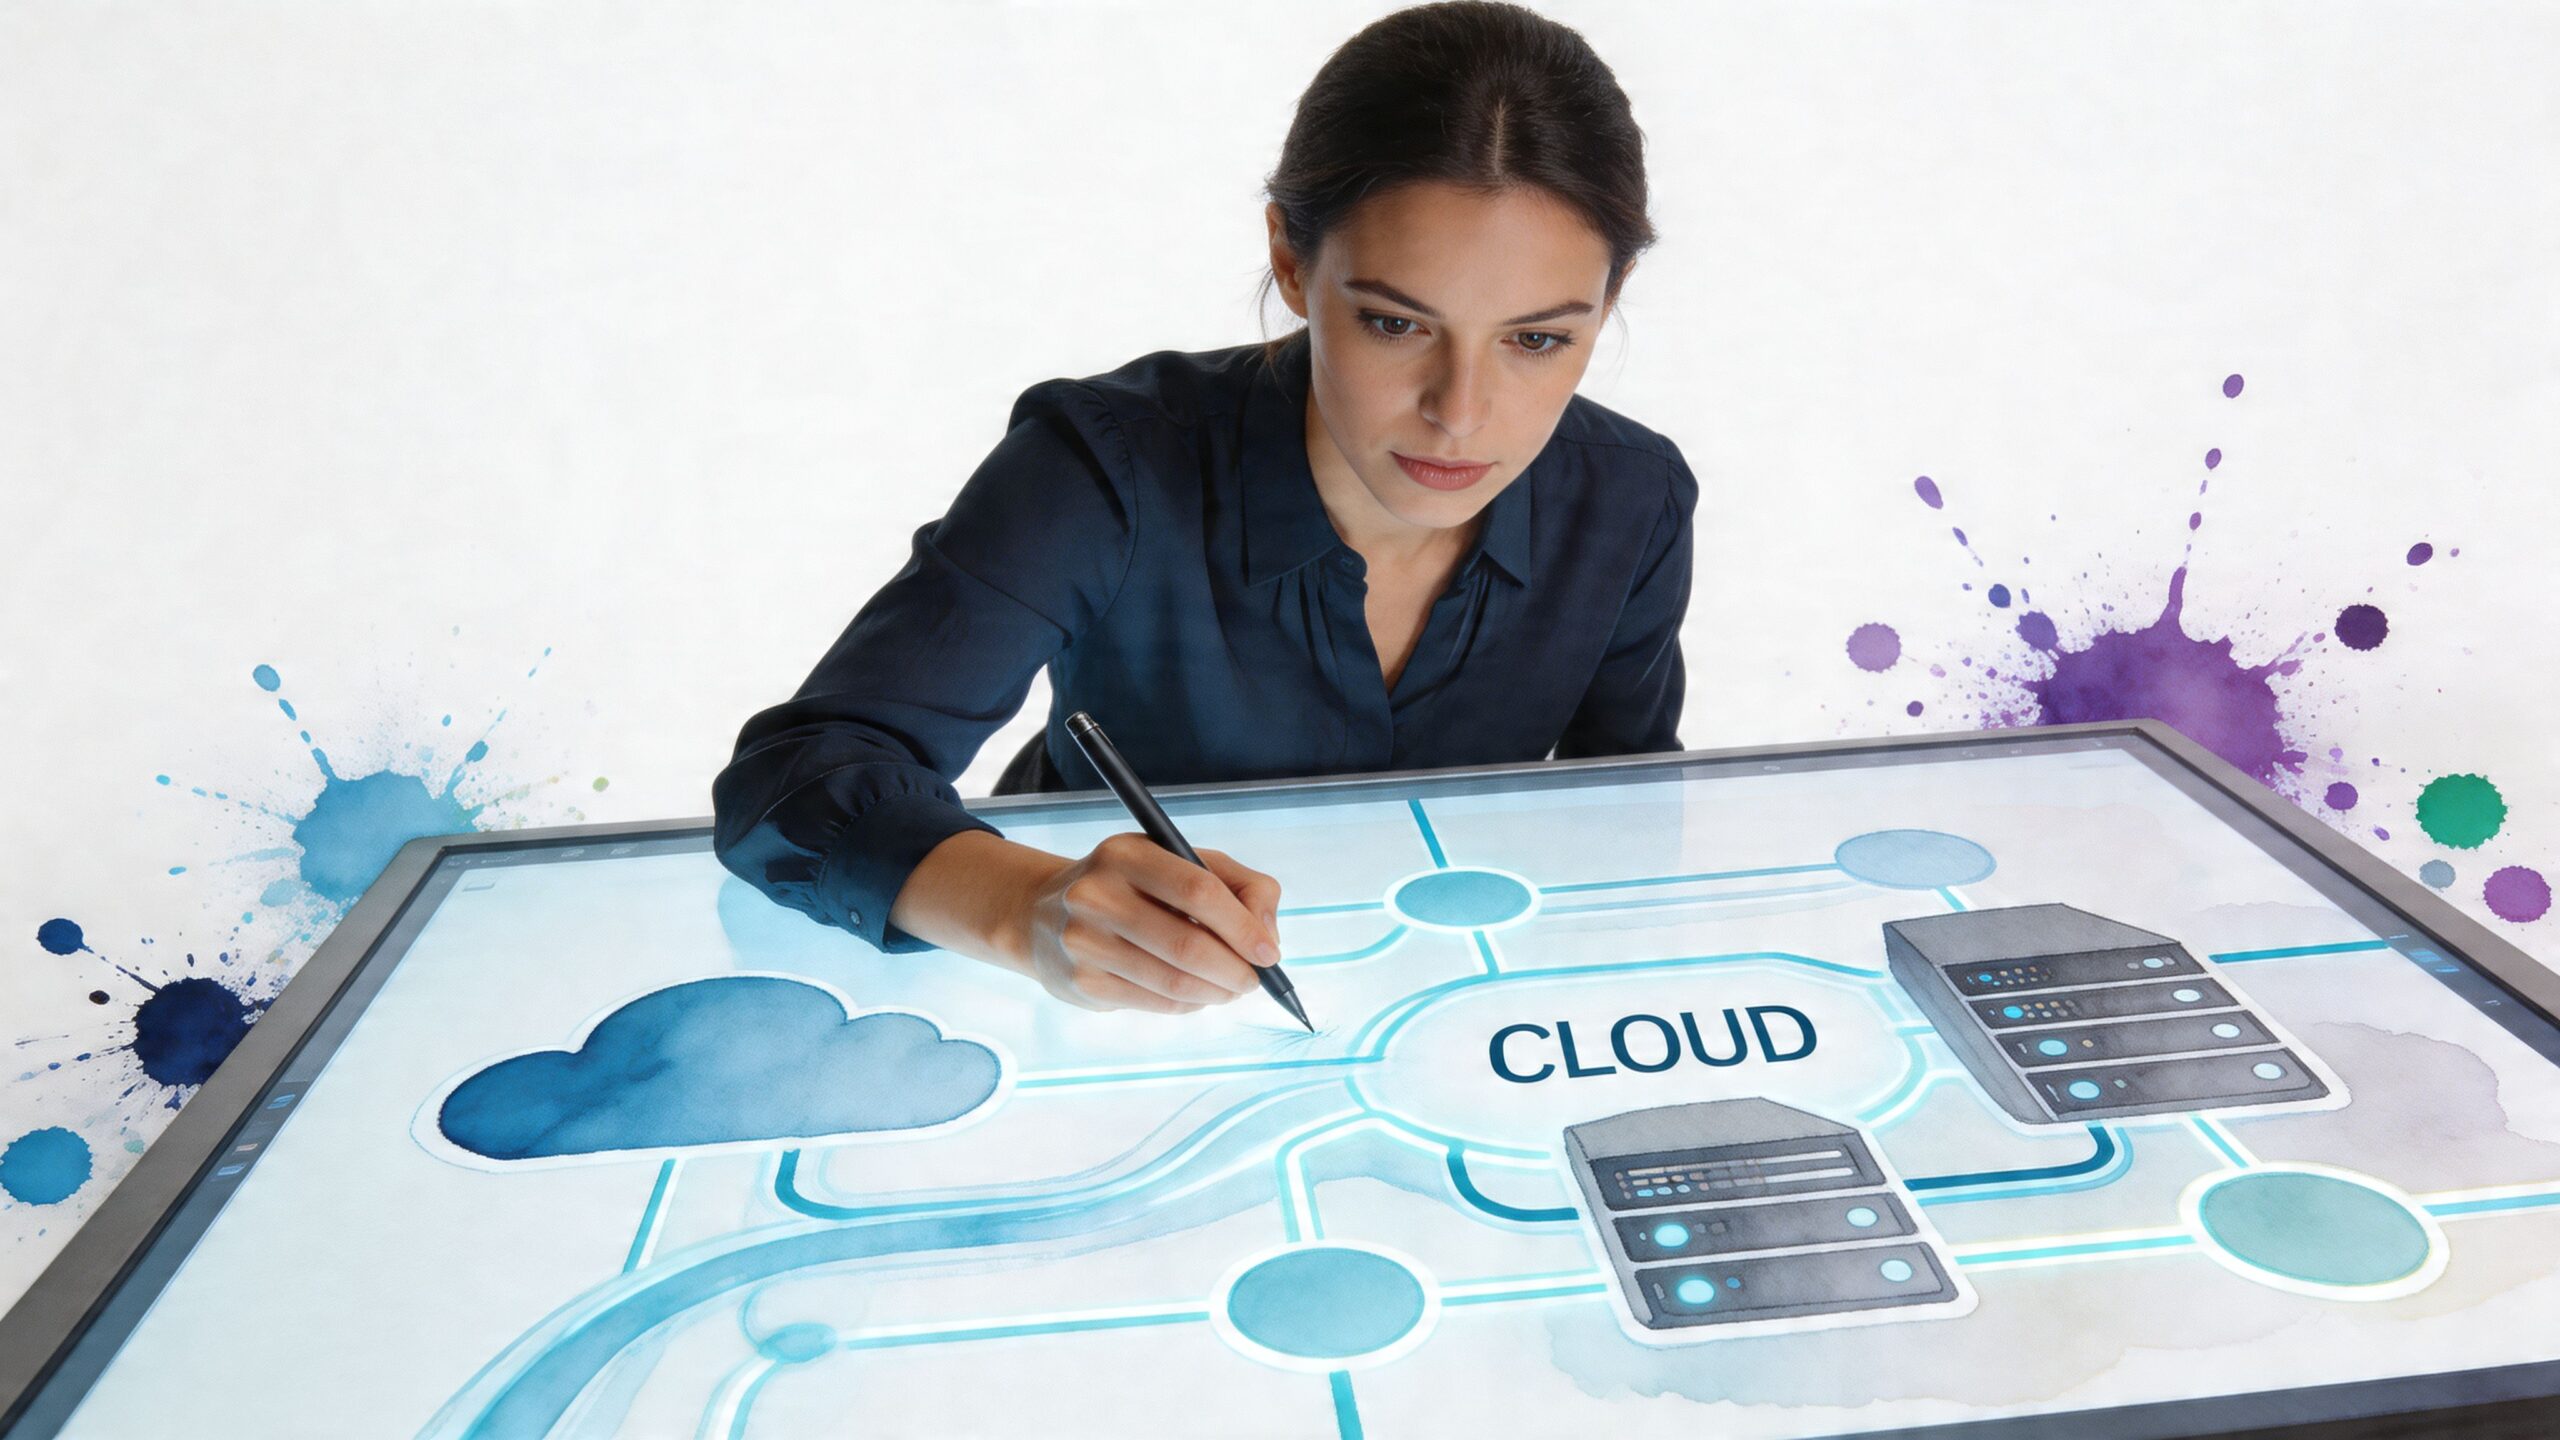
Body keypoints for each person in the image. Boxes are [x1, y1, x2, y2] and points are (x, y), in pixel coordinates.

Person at [712, 0, 1696, 1019]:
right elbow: (792, 781)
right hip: (1084, 1017)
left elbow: (1622, 821)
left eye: (1537, 340)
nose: (1460, 413)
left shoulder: (1636, 499)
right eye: (1394, 323)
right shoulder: (1100, 468)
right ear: (1290, 261)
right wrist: (1025, 907)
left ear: (1612, 295)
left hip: (1448, 1000)